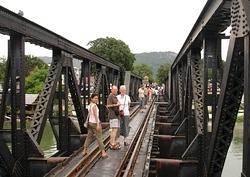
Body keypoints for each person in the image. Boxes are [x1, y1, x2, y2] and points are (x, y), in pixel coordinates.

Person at [82, 94, 108, 158]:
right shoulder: (94, 106)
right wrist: (98, 124)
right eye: (95, 98)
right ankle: (103, 152)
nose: (96, 99)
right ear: (91, 99)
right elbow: (96, 116)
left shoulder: (90, 105)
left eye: (97, 98)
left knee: (89, 137)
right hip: (95, 123)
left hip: (90, 123)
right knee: (99, 137)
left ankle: (84, 150)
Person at [107, 85, 121, 150]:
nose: (115, 91)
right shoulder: (110, 96)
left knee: (114, 130)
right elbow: (108, 106)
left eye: (116, 89)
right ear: (111, 90)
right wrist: (116, 105)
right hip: (113, 115)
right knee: (114, 130)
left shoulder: (114, 96)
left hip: (116, 115)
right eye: (114, 89)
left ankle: (112, 142)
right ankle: (112, 144)